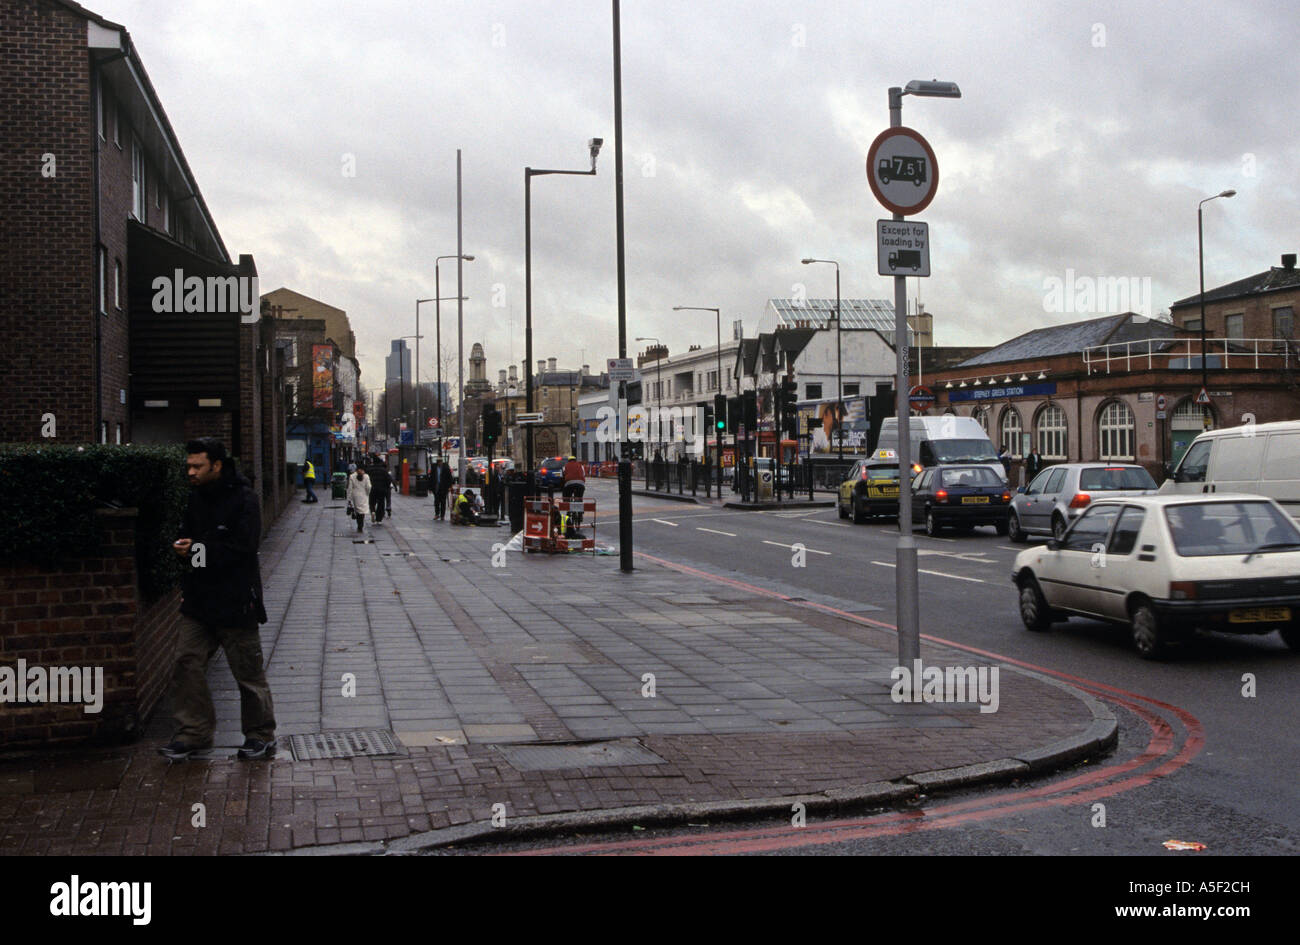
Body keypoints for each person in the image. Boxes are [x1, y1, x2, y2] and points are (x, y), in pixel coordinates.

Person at [161, 438, 276, 761]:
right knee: (186, 662)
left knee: (248, 673)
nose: (191, 472)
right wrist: (187, 551)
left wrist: (196, 550)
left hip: (237, 600)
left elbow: (243, 549)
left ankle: (259, 734)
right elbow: (192, 543)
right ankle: (194, 732)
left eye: (197, 466)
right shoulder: (194, 499)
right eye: (188, 466)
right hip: (199, 602)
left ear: (217, 465)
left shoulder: (244, 500)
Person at [346, 463, 371, 533]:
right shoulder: (366, 476)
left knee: (357, 511)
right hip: (364, 495)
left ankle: (359, 524)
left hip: (355, 495)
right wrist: (367, 493)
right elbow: (369, 487)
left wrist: (349, 499)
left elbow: (350, 488)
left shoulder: (352, 476)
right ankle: (361, 525)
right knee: (362, 511)